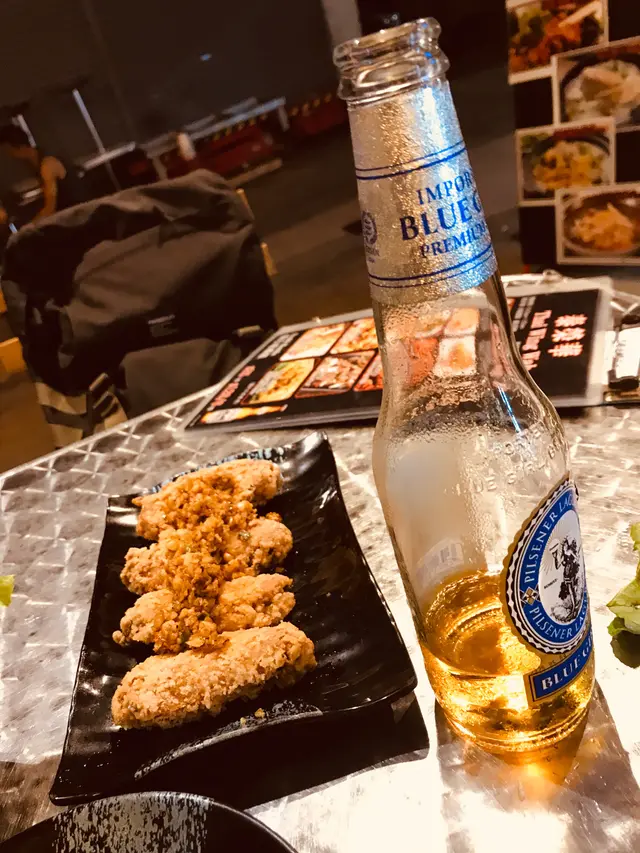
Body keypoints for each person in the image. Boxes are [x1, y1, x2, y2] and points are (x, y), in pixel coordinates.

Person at [0, 125, 82, 226]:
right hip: (72, 215)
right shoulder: (37, 162)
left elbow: (50, 208)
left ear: (20, 148)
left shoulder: (47, 164)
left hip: (79, 217)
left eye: (9, 151)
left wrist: (30, 227)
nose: (9, 155)